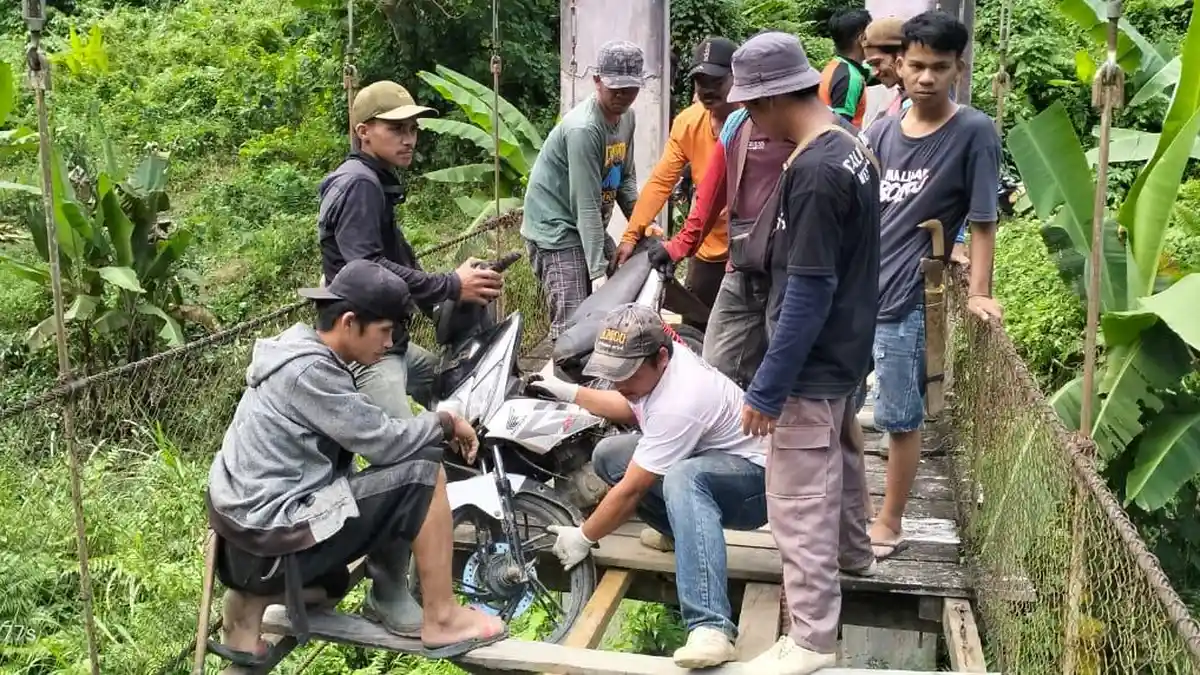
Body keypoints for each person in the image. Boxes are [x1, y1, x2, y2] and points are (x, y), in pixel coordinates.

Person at [204, 260, 507, 670]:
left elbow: (367, 431)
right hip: (270, 541)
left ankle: (249, 606)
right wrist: (445, 421)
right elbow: (386, 443)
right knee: (424, 470)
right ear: (349, 322)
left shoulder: (295, 354)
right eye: (384, 331)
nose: (390, 343)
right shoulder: (311, 373)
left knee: (330, 588)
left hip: (242, 548)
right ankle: (443, 618)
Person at [729, 32, 881, 674]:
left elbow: (809, 289)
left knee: (797, 501)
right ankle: (855, 553)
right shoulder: (851, 145)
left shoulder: (816, 171)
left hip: (813, 361)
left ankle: (813, 638)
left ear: (765, 103)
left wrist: (768, 388)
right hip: (847, 350)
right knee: (842, 461)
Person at [533, 302, 768, 669]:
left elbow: (631, 491)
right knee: (610, 454)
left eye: (626, 374)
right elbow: (632, 408)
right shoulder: (660, 373)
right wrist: (567, 392)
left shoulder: (683, 398)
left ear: (660, 358)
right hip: (716, 465)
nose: (619, 383)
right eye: (612, 372)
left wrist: (583, 536)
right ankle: (683, 536)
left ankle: (711, 628)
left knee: (683, 478)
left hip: (757, 487)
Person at [864, 11, 1003, 562]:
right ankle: (854, 506)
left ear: (958, 69)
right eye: (916, 65)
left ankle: (890, 518)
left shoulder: (974, 132)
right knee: (844, 406)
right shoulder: (881, 129)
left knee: (901, 416)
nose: (925, 78)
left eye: (938, 68)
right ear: (899, 65)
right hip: (857, 293)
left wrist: (977, 290)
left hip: (909, 297)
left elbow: (985, 217)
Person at [317, 79, 504, 419]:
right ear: (364, 131)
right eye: (396, 128)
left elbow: (391, 257)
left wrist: (442, 295)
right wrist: (451, 284)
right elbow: (367, 268)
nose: (409, 139)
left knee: (444, 381)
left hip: (392, 340)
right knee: (404, 445)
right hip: (369, 346)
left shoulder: (371, 180)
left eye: (413, 129)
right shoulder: (360, 184)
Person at [521, 40, 644, 340]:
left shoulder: (627, 118)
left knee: (623, 287)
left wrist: (644, 227)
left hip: (585, 226)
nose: (623, 96)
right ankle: (562, 384)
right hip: (557, 230)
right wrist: (597, 273)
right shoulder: (584, 129)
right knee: (573, 324)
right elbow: (585, 204)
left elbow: (625, 179)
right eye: (616, 88)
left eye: (630, 89)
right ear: (597, 81)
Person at [613, 37, 741, 323]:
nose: (707, 89)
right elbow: (661, 182)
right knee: (697, 322)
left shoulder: (758, 121)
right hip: (706, 242)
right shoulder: (687, 123)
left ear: (737, 78)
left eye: (717, 81)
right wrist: (631, 235)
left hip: (751, 250)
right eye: (700, 81)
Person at [818, 8, 873, 128]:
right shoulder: (849, 78)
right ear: (863, 39)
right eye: (873, 34)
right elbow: (842, 129)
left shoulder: (838, 66)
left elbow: (873, 74)